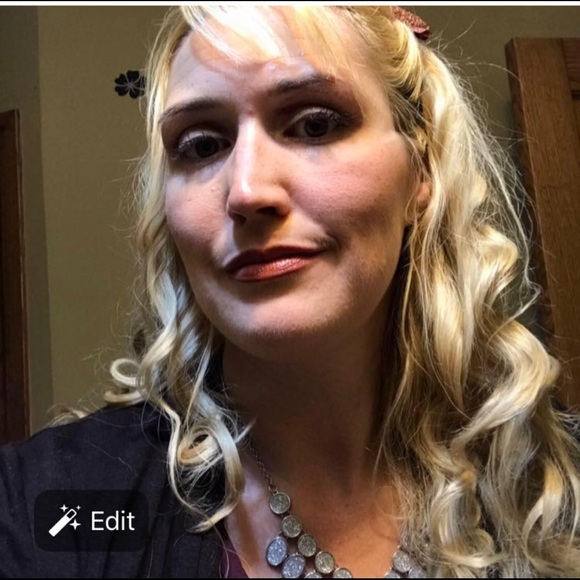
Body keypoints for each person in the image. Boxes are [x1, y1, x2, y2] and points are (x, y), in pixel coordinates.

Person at [1, 5, 579, 578]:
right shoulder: (51, 506)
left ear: (420, 170)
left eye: (315, 124)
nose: (247, 191)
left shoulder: (550, 481)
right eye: (201, 145)